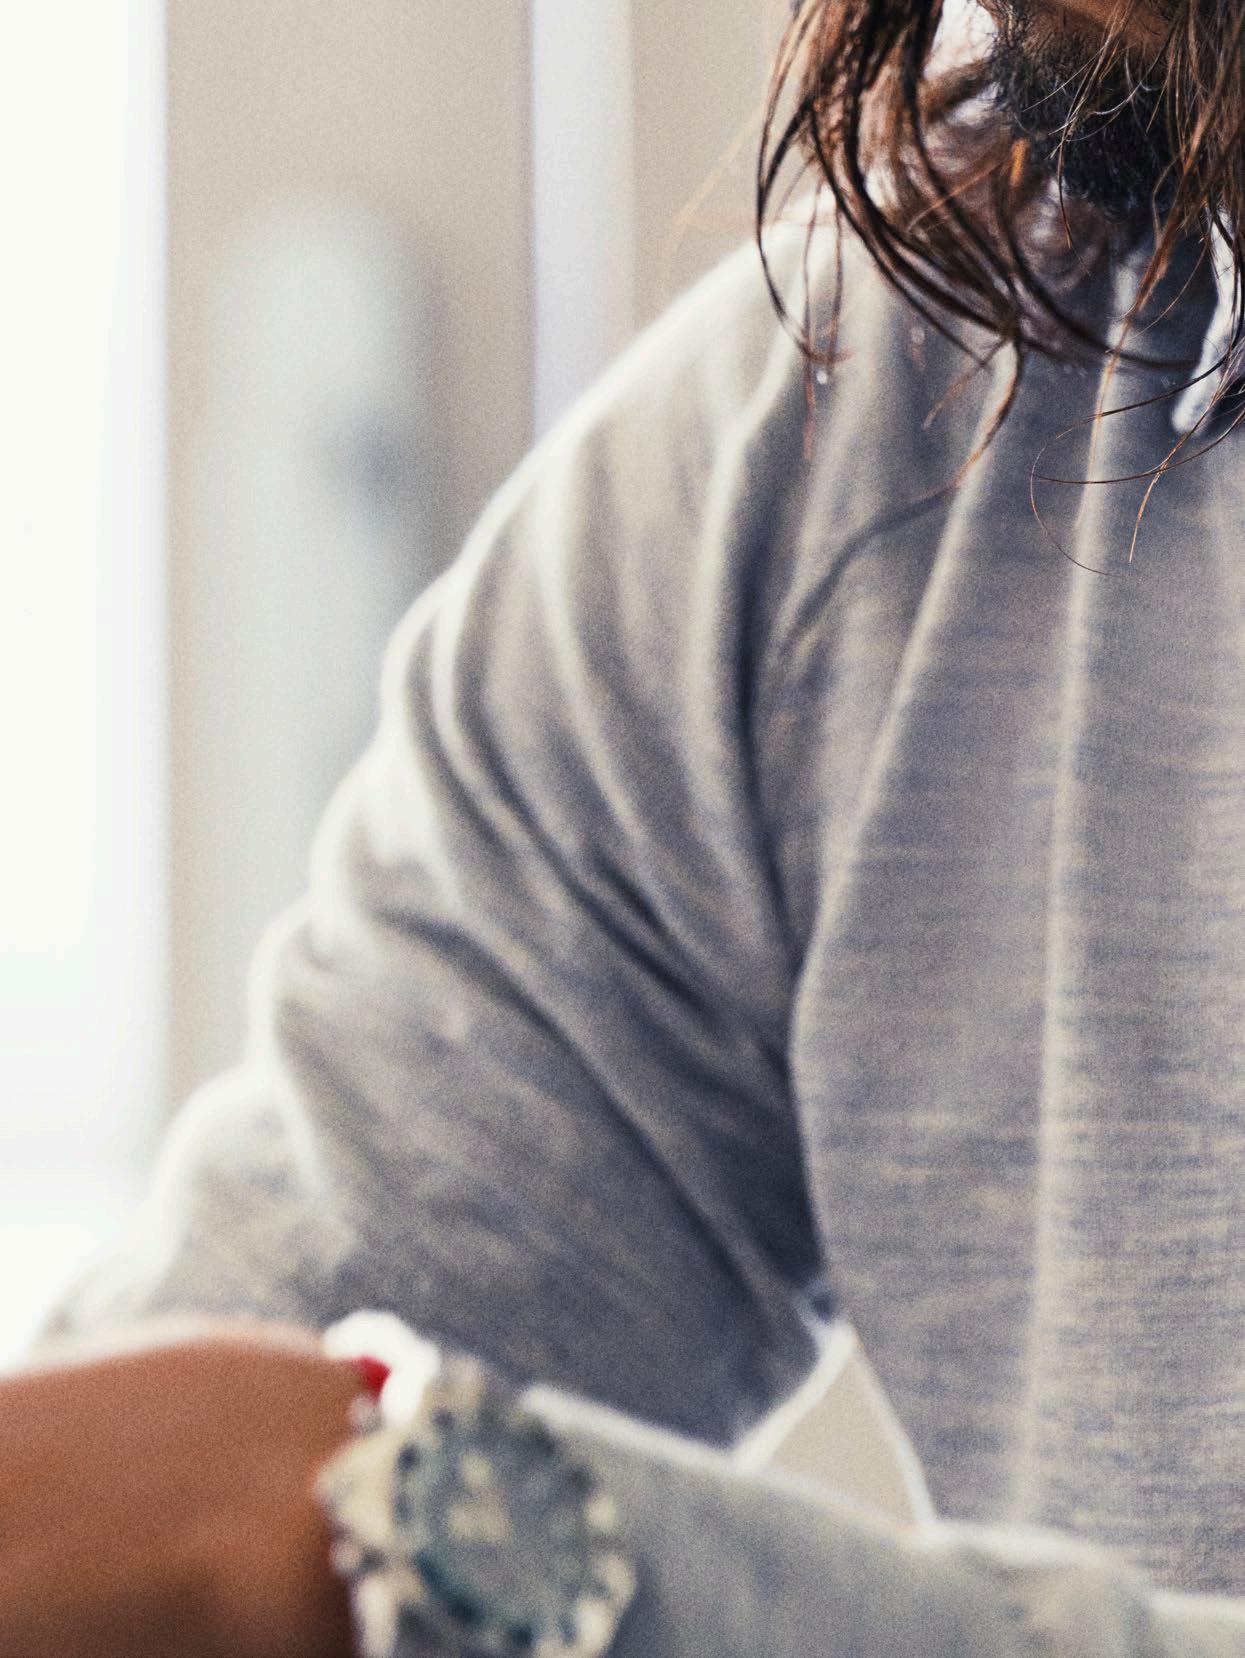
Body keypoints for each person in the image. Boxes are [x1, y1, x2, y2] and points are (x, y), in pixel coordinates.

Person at [6, 0, 1245, 1651]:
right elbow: (162, 1512)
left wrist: (435, 1542)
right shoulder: (862, 446)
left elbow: (289, 1517)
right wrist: (224, 1519)